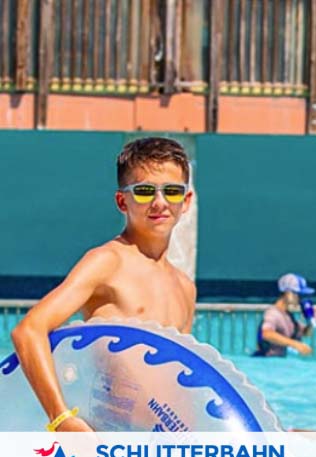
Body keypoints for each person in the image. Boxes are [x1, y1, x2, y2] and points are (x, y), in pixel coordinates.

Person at [11, 137, 196, 432]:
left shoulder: (185, 286)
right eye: (145, 190)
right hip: (109, 442)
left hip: (161, 449)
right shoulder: (108, 261)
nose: (159, 202)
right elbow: (29, 331)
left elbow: (184, 376)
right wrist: (60, 418)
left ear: (185, 202)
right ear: (123, 201)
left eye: (172, 191)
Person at [253, 273, 316, 357]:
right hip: (266, 359)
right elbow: (266, 334)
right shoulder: (273, 313)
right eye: (298, 294)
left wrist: (311, 321)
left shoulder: (288, 316)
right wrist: (296, 344)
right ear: (288, 293)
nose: (300, 299)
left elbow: (305, 333)